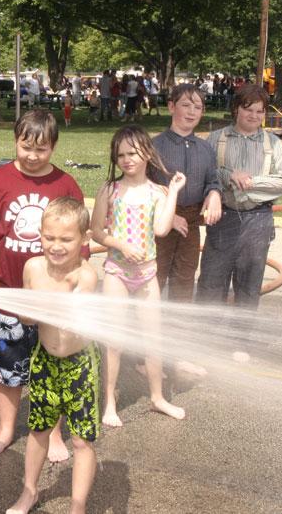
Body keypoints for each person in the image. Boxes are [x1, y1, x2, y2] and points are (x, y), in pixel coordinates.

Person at [0, 109, 86, 461]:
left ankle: (52, 435)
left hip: (52, 298)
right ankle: (5, 429)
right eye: (26, 147)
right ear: (15, 141)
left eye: (42, 149)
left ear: (53, 148)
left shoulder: (66, 186)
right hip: (5, 295)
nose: (33, 156)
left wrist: (75, 289)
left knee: (54, 366)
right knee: (7, 368)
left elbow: (80, 245)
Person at [6, 197, 100, 514]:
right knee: (38, 431)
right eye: (49, 237)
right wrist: (28, 311)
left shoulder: (85, 276)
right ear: (40, 234)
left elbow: (71, 312)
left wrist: (43, 303)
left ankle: (78, 505)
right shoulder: (33, 268)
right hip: (45, 360)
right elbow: (29, 319)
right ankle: (29, 492)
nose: (55, 246)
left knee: (81, 441)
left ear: (84, 239)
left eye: (66, 239)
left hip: (80, 365)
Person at [91, 124, 187, 427]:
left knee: (152, 338)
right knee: (114, 340)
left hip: (146, 275)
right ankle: (109, 400)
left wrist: (172, 192)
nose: (126, 160)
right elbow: (95, 231)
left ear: (147, 152)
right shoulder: (110, 190)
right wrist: (119, 244)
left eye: (132, 153)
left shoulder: (157, 192)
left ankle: (158, 398)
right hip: (117, 273)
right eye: (120, 155)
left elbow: (161, 229)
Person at [196, 84, 282, 309]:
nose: (254, 116)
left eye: (260, 111)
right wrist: (230, 176)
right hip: (223, 219)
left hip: (258, 220)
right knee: (211, 283)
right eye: (248, 109)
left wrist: (251, 182)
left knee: (249, 288)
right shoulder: (216, 138)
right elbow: (205, 174)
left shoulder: (273, 143)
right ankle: (207, 338)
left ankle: (241, 341)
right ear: (236, 109)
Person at [152, 85, 222, 304]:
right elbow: (143, 185)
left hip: (190, 225)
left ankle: (176, 329)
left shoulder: (206, 148)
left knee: (185, 277)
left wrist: (214, 193)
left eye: (198, 107)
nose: (192, 112)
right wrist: (167, 216)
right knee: (154, 276)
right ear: (171, 106)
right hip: (158, 224)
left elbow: (213, 179)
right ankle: (145, 328)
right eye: (185, 105)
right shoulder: (153, 146)